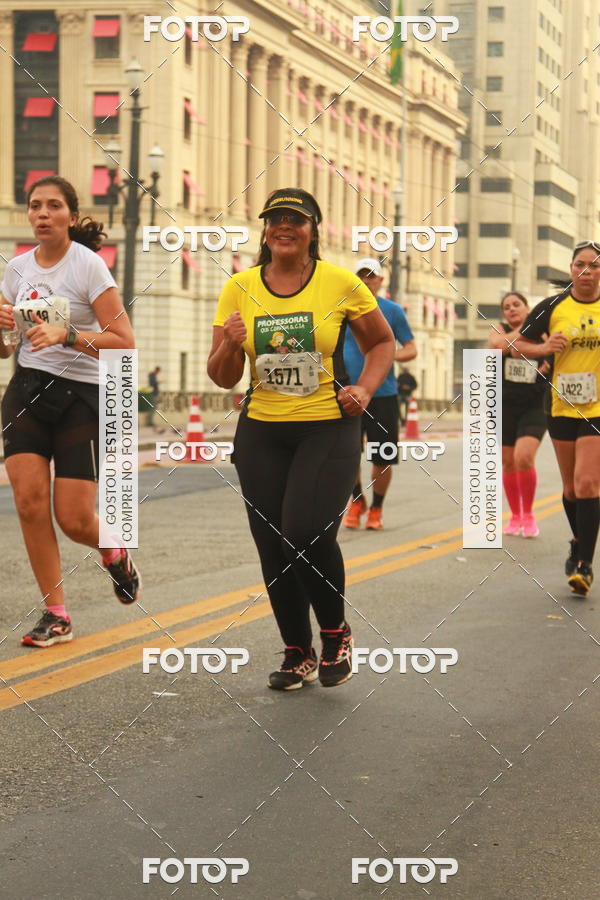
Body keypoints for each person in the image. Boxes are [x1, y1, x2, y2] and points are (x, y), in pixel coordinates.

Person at [207, 188, 395, 690]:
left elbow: (380, 342)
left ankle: (335, 634)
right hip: (262, 430)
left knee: (306, 531)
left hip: (327, 425)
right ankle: (297, 651)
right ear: (265, 230)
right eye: (275, 220)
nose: (283, 227)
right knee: (272, 545)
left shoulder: (340, 283)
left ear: (315, 229)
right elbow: (223, 377)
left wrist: (365, 386)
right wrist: (229, 342)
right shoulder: (239, 287)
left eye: (296, 219)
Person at [0, 175, 141, 647]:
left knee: (74, 518)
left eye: (53, 206)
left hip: (81, 397)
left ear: (70, 216)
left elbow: (124, 342)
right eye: (35, 206)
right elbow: (6, 348)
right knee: (28, 503)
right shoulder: (17, 269)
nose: (42, 214)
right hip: (27, 391)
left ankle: (113, 549)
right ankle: (56, 614)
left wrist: (69, 336)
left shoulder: (89, 268)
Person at [513, 241, 600, 596]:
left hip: (597, 408)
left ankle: (584, 565)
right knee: (570, 489)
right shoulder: (552, 307)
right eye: (581, 265)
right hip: (562, 406)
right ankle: (579, 540)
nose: (587, 271)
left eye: (594, 266)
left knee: (587, 484)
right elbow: (519, 344)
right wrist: (545, 348)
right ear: (571, 269)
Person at [342, 258, 417, 530]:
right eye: (361, 275)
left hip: (383, 394)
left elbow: (411, 348)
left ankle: (376, 508)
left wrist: (386, 355)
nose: (366, 281)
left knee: (382, 456)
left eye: (372, 276)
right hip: (348, 393)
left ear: (381, 281)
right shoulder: (343, 308)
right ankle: (357, 500)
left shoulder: (392, 311)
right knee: (347, 454)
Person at [488, 292, 551, 538]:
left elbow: (554, 350)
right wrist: (529, 330)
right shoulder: (499, 329)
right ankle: (515, 516)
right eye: (506, 307)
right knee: (508, 461)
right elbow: (498, 345)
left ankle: (529, 514)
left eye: (517, 305)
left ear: (527, 307)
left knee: (524, 457)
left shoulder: (544, 329)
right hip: (505, 404)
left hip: (535, 403)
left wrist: (548, 361)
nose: (511, 309)